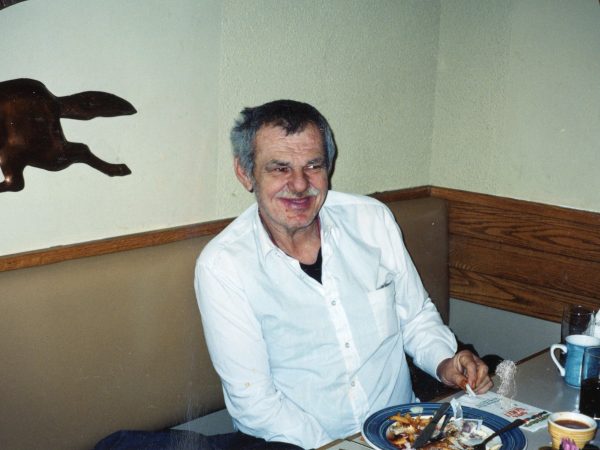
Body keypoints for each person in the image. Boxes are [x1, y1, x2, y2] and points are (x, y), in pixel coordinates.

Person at [194, 100, 492, 449]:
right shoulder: (223, 266)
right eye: (279, 168)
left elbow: (416, 317)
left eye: (313, 165)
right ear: (245, 173)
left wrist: (446, 361)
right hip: (300, 444)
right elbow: (255, 405)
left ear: (329, 166)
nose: (300, 184)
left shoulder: (371, 220)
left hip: (406, 432)